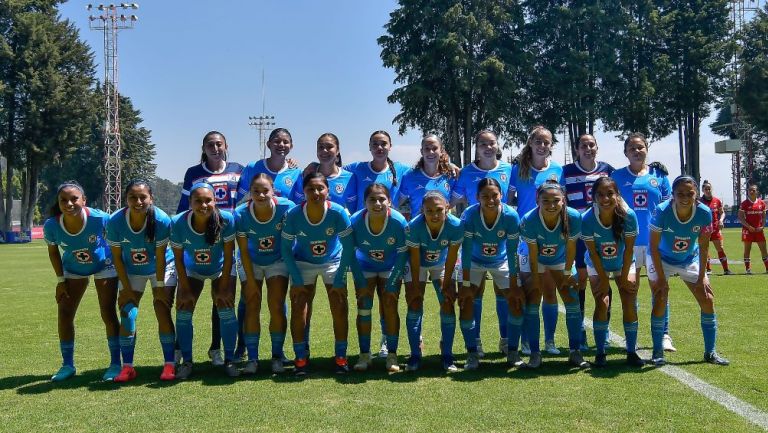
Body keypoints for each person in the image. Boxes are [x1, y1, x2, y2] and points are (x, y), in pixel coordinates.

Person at [647, 176, 729, 366]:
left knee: (708, 299)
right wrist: (660, 278)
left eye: (690, 193)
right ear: (673, 195)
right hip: (661, 258)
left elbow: (704, 246)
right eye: (680, 193)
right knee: (660, 297)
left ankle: (710, 352)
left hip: (688, 259)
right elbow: (652, 246)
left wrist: (702, 277)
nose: (685, 197)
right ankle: (657, 352)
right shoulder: (662, 211)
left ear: (696, 194)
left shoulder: (704, 213)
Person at [178, 130, 243, 366]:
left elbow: (248, 197)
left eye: (219, 144)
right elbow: (183, 208)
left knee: (223, 297)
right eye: (210, 145)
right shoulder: (193, 173)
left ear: (226, 146)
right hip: (197, 241)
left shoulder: (238, 169)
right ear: (203, 148)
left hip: (227, 237)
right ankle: (180, 353)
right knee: (186, 300)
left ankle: (217, 348)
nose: (215, 148)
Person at [44, 181, 120, 382]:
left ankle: (115, 364)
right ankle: (67, 365)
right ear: (59, 203)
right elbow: (53, 252)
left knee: (108, 311)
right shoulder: (52, 225)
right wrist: (61, 280)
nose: (69, 204)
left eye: (74, 199)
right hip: (73, 269)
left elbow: (117, 240)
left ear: (84, 200)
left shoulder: (100, 218)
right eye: (64, 200)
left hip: (105, 265)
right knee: (64, 313)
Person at [281, 172, 354, 375]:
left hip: (332, 261)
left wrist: (340, 278)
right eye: (310, 189)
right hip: (303, 262)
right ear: (303, 192)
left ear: (327, 191)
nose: (316, 192)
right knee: (299, 307)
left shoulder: (338, 212)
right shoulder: (294, 215)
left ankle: (341, 358)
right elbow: (286, 249)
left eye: (320, 188)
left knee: (339, 306)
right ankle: (301, 359)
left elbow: (348, 247)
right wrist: (295, 280)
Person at [611, 132, 676, 352]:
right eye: (632, 148)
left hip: (654, 245)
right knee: (630, 289)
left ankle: (664, 333)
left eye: (640, 147)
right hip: (627, 244)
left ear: (647, 149)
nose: (637, 151)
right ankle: (633, 334)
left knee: (659, 288)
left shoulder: (660, 175)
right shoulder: (616, 176)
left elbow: (670, 207)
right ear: (626, 153)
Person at [451, 130, 513, 357]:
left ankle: (506, 341)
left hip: (501, 246)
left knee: (504, 294)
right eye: (482, 144)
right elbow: (451, 200)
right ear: (476, 147)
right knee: (472, 295)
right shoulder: (465, 172)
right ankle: (474, 342)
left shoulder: (509, 170)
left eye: (491, 143)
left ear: (497, 146)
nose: (488, 147)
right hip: (474, 245)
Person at [106, 180, 173, 382]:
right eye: (132, 197)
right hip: (132, 271)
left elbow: (160, 257)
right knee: (127, 312)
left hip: (160, 268)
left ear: (151, 198)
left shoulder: (161, 220)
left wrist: (160, 287)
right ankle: (128, 367)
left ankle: (169, 364)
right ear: (126, 200)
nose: (138, 201)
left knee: (162, 308)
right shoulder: (116, 221)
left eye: (143, 197)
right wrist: (125, 289)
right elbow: (117, 258)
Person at [170, 183, 239, 379]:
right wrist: (183, 288)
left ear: (215, 201)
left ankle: (230, 360)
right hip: (191, 269)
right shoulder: (178, 222)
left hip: (220, 268)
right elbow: (178, 259)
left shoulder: (226, 219)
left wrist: (224, 287)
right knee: (184, 308)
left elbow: (228, 256)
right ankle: (187, 362)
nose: (203, 205)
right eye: (198, 201)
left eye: (208, 200)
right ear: (190, 203)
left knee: (225, 306)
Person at [234, 174, 296, 374]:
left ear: (273, 191)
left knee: (276, 305)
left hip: (277, 259)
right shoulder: (241, 213)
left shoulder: (286, 207)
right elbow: (243, 250)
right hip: (250, 261)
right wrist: (250, 282)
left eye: (265, 190)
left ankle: (277, 356)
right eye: (255, 191)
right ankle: (252, 358)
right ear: (250, 193)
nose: (260, 195)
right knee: (252, 304)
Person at [519, 181, 585, 369]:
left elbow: (572, 247)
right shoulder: (529, 220)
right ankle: (534, 353)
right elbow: (533, 255)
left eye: (556, 200)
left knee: (572, 300)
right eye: (545, 200)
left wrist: (566, 273)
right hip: (535, 259)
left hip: (561, 258)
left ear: (563, 200)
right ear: (537, 200)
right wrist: (535, 279)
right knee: (533, 300)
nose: (551, 204)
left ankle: (575, 352)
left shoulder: (573, 217)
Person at [511, 126, 563, 356]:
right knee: (530, 292)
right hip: (525, 240)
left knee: (550, 292)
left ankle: (550, 341)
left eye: (547, 142)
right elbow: (508, 204)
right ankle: (526, 341)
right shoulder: (517, 171)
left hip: (551, 239)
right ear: (530, 143)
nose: (543, 146)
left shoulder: (558, 170)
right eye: (539, 141)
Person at [580, 177, 644, 367]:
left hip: (623, 261)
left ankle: (631, 352)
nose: (605, 198)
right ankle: (600, 353)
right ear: (594, 197)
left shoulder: (628, 215)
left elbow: (630, 250)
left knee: (629, 299)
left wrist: (624, 277)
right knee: (602, 302)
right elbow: (592, 252)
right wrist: (603, 280)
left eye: (610, 194)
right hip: (597, 263)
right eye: (600, 194)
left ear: (617, 195)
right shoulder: (588, 218)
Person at [560, 134, 614, 351]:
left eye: (591, 145)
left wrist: (654, 168)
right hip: (576, 236)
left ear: (597, 147)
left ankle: (605, 329)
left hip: (601, 235)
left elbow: (630, 175)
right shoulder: (565, 172)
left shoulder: (608, 169)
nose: (588, 148)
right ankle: (580, 330)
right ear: (577, 149)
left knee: (603, 281)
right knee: (579, 281)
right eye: (584, 145)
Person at [460, 179, 521, 369]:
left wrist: (514, 281)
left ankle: (510, 347)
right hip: (474, 261)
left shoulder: (510, 215)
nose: (490, 200)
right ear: (477, 197)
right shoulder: (469, 215)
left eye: (494, 195)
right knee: (468, 300)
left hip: (502, 260)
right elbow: (467, 250)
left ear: (501, 195)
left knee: (515, 299)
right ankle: (473, 349)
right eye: (485, 196)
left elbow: (512, 251)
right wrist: (465, 283)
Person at [348, 184, 408, 373]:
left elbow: (402, 255)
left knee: (390, 305)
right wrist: (360, 280)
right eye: (372, 199)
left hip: (390, 267)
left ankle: (391, 354)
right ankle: (364, 355)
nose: (377, 203)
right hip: (364, 267)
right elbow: (349, 252)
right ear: (365, 202)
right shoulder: (355, 221)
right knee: (364, 307)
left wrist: (392, 282)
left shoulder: (398, 222)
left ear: (389, 201)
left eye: (382, 199)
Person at [404, 191, 464, 372]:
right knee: (414, 302)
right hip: (418, 265)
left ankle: (447, 354)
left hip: (442, 263)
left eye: (439, 210)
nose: (434, 215)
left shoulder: (456, 225)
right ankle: (415, 354)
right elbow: (414, 260)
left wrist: (446, 285)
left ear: (447, 208)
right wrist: (415, 286)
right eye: (429, 211)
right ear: (422, 210)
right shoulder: (414, 227)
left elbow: (452, 257)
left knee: (447, 301)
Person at [344, 130, 411, 214]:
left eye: (383, 144)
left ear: (390, 146)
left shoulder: (401, 169)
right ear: (369, 147)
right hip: (361, 223)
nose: (379, 147)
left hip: (390, 223)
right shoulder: (357, 168)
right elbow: (334, 172)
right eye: (375, 144)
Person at [399, 134, 456, 220]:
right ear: (421, 151)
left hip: (444, 230)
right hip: (418, 230)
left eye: (434, 148)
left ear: (441, 151)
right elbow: (397, 202)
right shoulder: (410, 176)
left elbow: (459, 199)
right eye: (427, 149)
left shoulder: (451, 175)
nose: (431, 152)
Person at [238, 128, 302, 201]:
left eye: (285, 142)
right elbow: (240, 200)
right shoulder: (252, 168)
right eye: (277, 141)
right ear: (268, 144)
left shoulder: (296, 173)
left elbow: (298, 204)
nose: (281, 145)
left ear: (291, 146)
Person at [296, 133, 356, 210]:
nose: (324, 150)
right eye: (321, 147)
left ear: (337, 150)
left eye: (329, 147)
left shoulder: (349, 178)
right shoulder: (306, 174)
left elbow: (352, 211)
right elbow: (297, 204)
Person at [700, 180, 732, 275]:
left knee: (720, 248)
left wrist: (721, 220)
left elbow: (722, 213)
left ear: (712, 189)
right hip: (703, 230)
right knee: (704, 249)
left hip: (715, 229)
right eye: (706, 189)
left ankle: (726, 270)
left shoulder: (717, 201)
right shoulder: (699, 202)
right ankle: (708, 269)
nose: (708, 190)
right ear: (703, 190)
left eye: (709, 188)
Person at [738, 184, 768, 274]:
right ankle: (748, 269)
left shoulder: (762, 203)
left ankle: (767, 269)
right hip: (748, 231)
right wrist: (748, 227)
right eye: (750, 190)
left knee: (764, 249)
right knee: (747, 249)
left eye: (753, 190)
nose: (751, 192)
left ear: (757, 192)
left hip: (759, 230)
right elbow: (741, 218)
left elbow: (764, 217)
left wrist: (762, 226)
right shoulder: (744, 204)